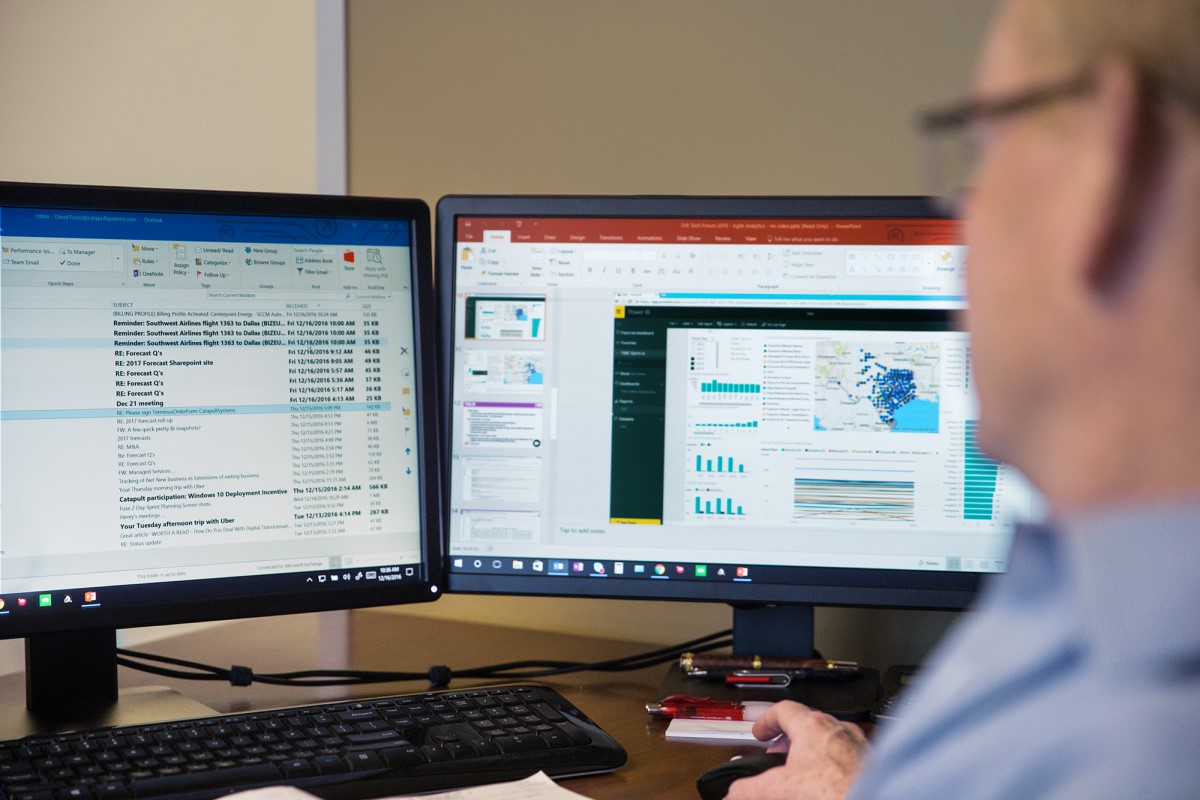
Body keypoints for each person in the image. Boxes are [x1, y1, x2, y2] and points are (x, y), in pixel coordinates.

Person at [728, 0, 1200, 797]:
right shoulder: (1088, 615)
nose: (961, 226)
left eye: (982, 154)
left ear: (1103, 167)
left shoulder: (1143, 749)